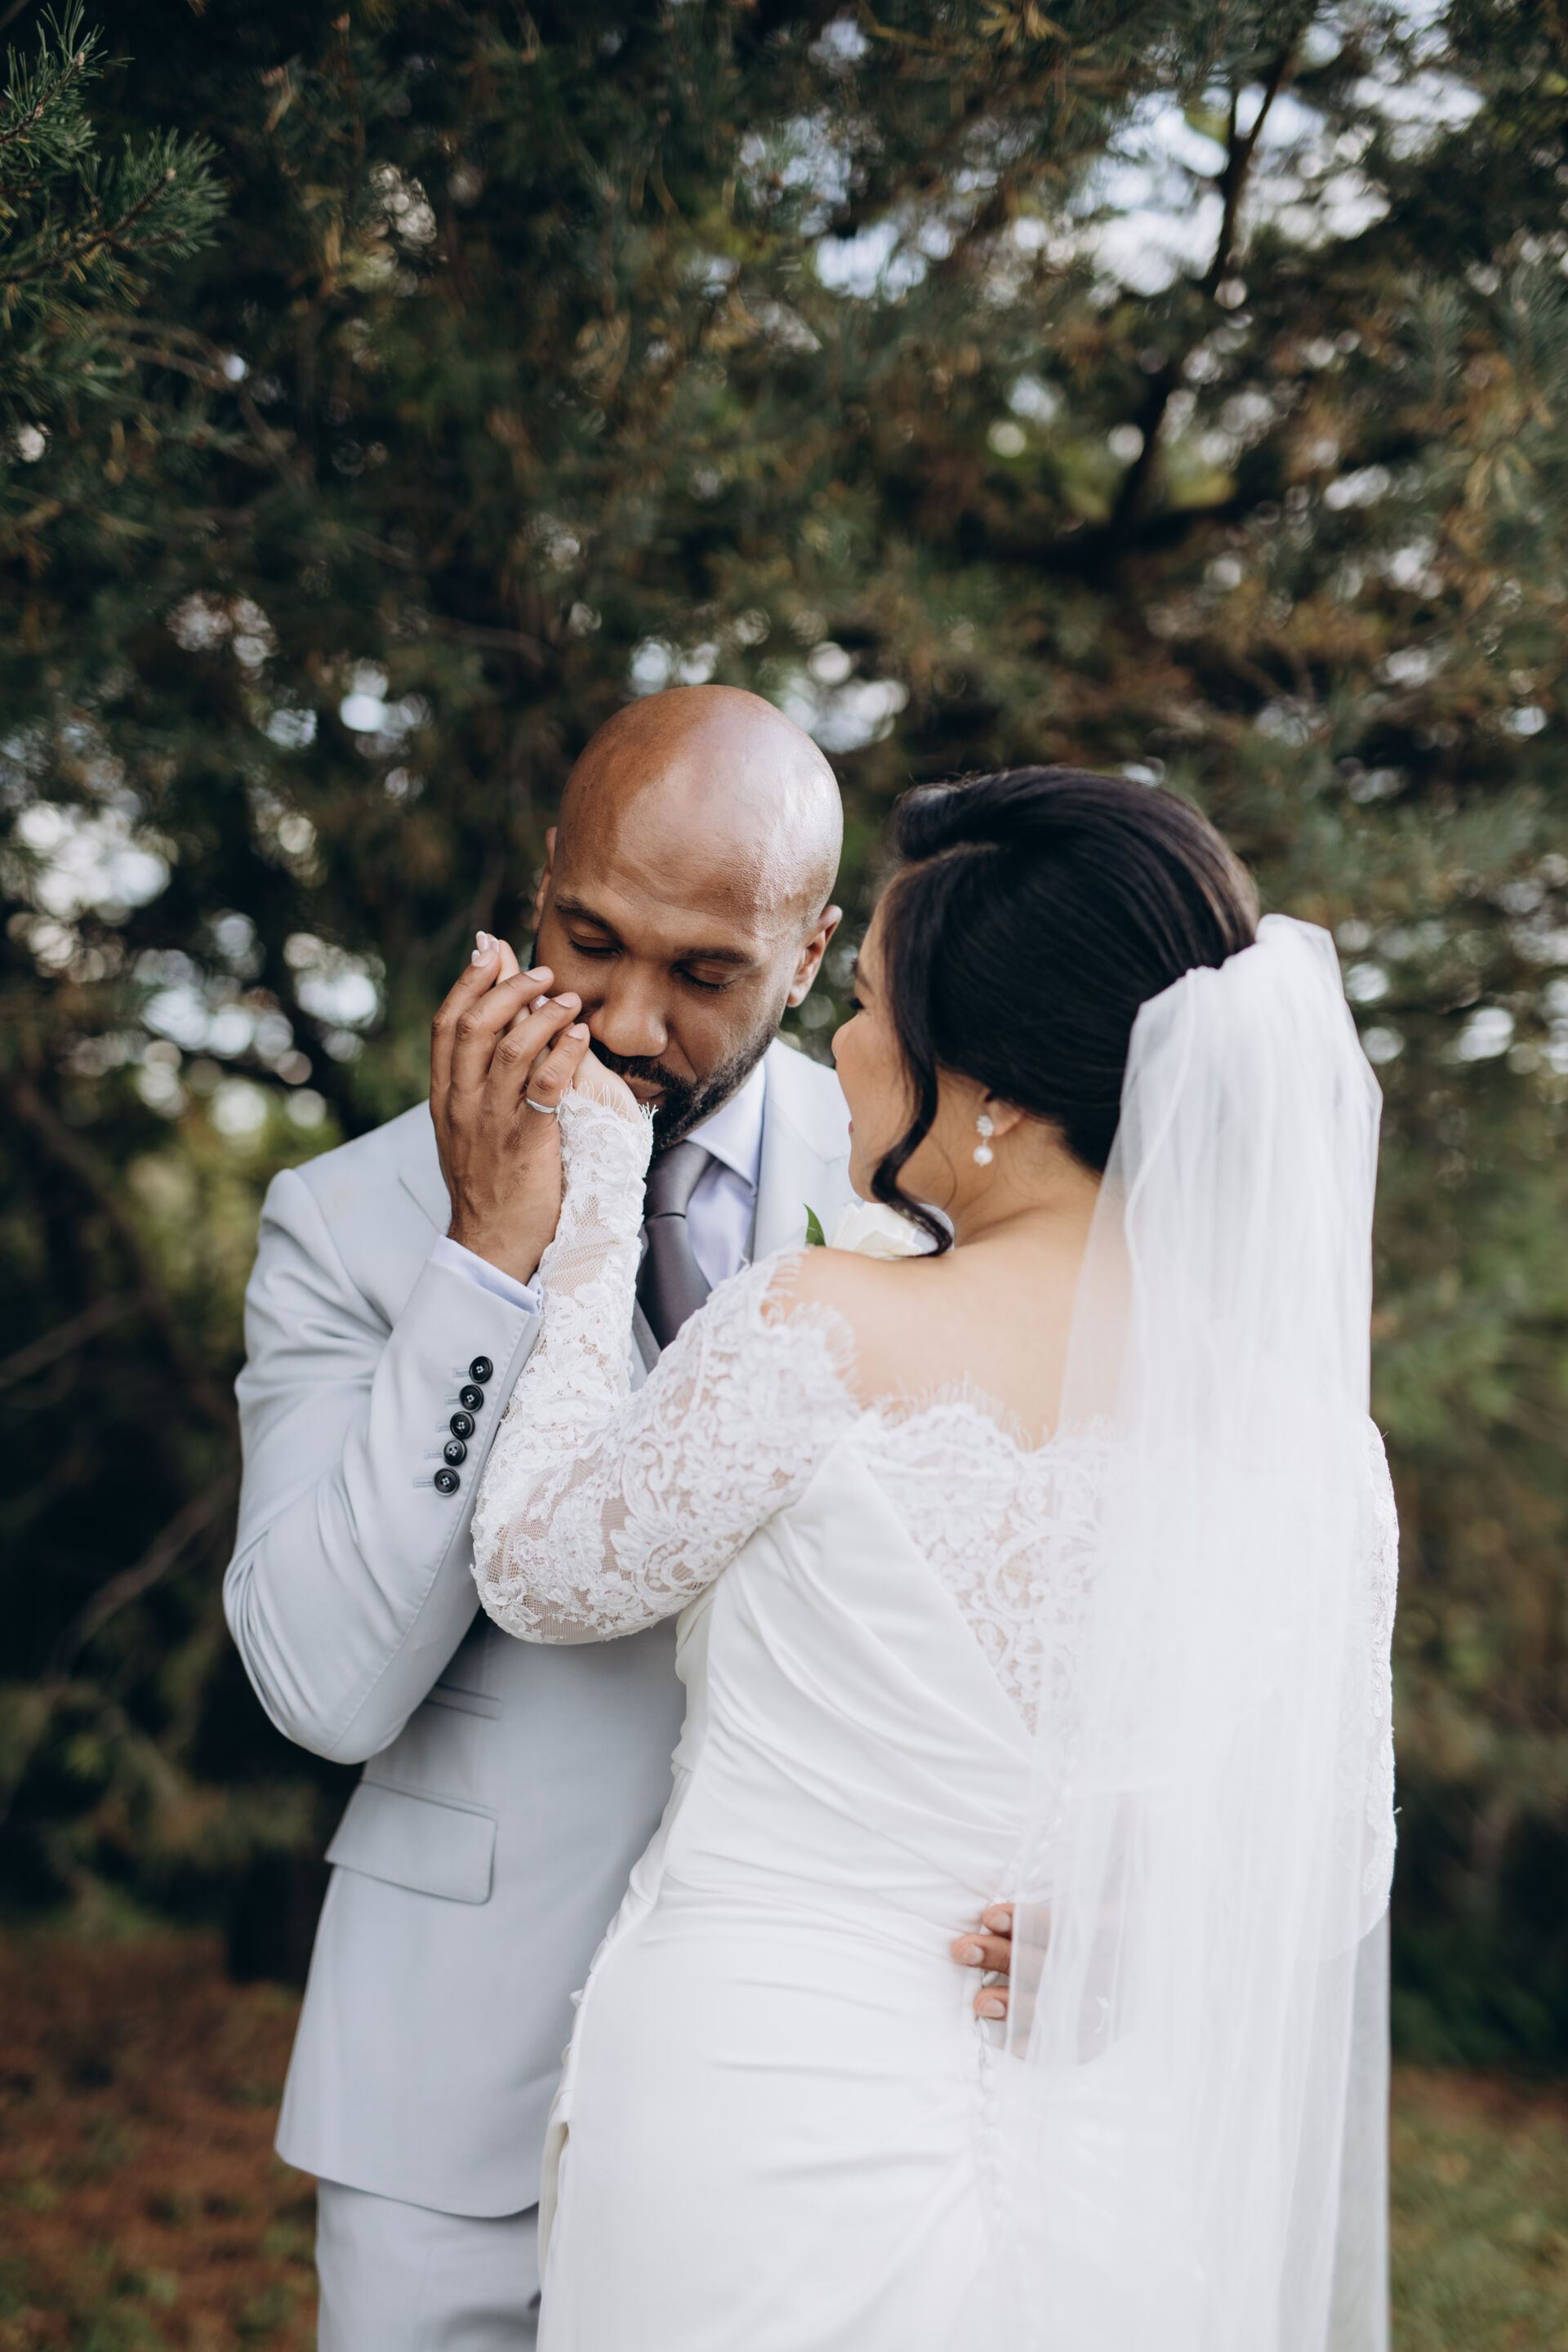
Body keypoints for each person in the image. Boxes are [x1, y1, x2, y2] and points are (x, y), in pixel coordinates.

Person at [471, 766, 1399, 2352]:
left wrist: (592, 1217)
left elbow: (538, 1571)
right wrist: (1151, 1917)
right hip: (1113, 2150)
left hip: (761, 2102)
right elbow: (1332, 1871)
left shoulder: (822, 1328)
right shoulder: (1318, 1446)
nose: (838, 1045)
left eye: (869, 1005)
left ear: (994, 1094)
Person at [225, 688, 1020, 2351]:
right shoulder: (345, 1221)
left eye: (707, 973)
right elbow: (323, 1687)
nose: (633, 1021)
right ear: (542, 885)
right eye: (589, 942)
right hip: (452, 2095)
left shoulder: (929, 1193)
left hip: (812, 2086)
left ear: (810, 957)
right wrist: (481, 1263)